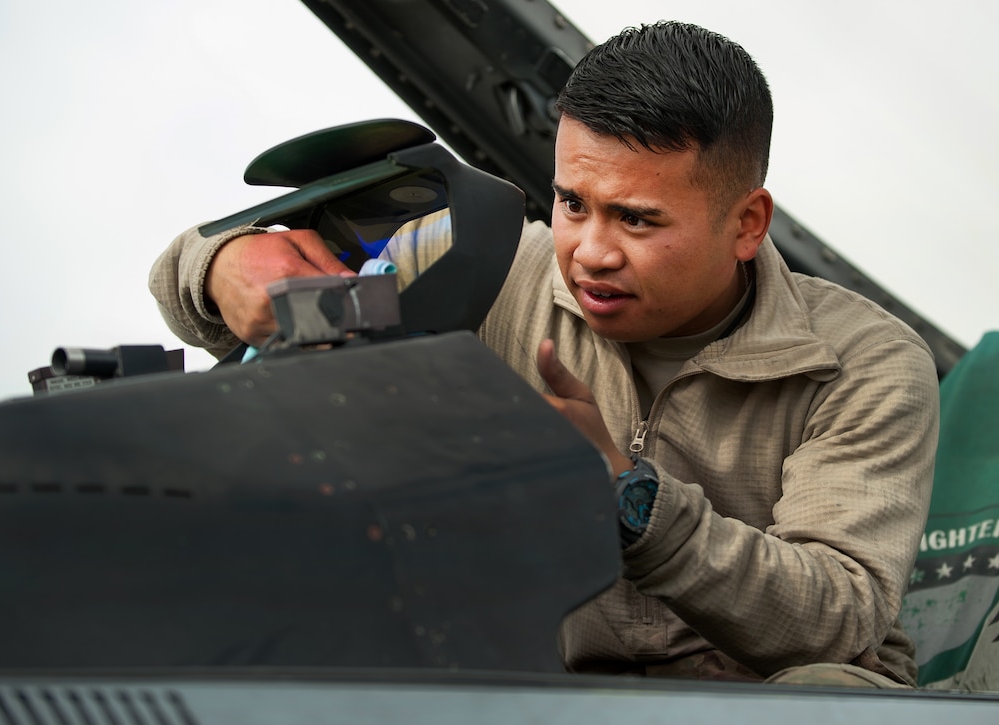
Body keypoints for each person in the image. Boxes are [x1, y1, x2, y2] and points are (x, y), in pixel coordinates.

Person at [149, 21, 938, 687]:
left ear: (747, 222)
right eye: (571, 203)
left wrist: (632, 503)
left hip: (764, 689)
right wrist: (221, 269)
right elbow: (204, 261)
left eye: (636, 219)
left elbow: (837, 618)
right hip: (541, 683)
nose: (589, 252)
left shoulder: (863, 362)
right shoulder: (493, 264)